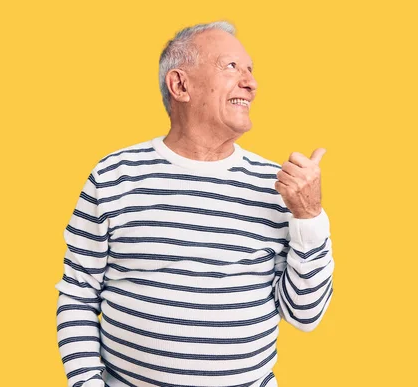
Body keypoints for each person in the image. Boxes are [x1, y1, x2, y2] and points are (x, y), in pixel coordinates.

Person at [55, 20, 335, 387]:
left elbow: (305, 315)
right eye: (232, 66)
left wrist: (309, 215)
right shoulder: (115, 175)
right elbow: (77, 294)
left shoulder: (280, 187)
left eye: (251, 70)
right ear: (180, 85)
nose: (251, 83)